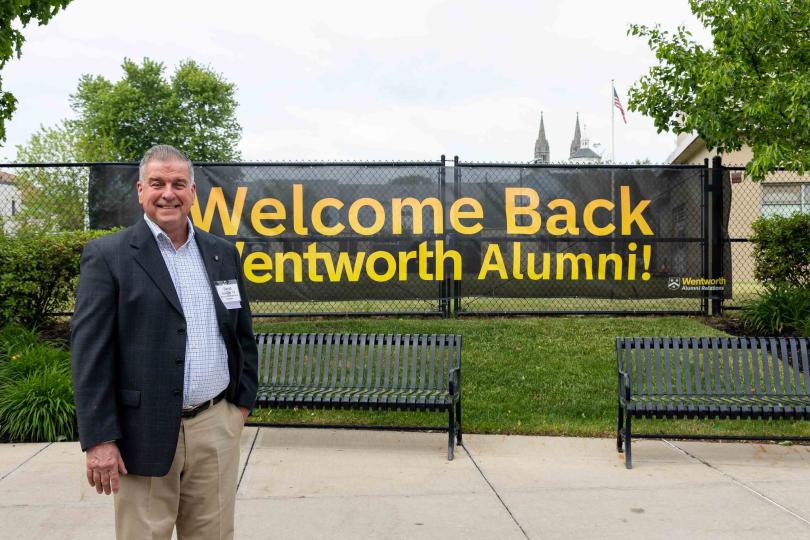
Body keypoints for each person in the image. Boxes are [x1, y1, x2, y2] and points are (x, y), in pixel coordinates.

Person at [71, 144, 258, 540]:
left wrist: (240, 405)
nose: (168, 193)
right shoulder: (108, 256)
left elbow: (241, 333)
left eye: (178, 183)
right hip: (143, 433)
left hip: (215, 427)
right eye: (157, 183)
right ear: (140, 190)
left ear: (193, 192)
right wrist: (100, 438)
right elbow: (91, 355)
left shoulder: (222, 253)